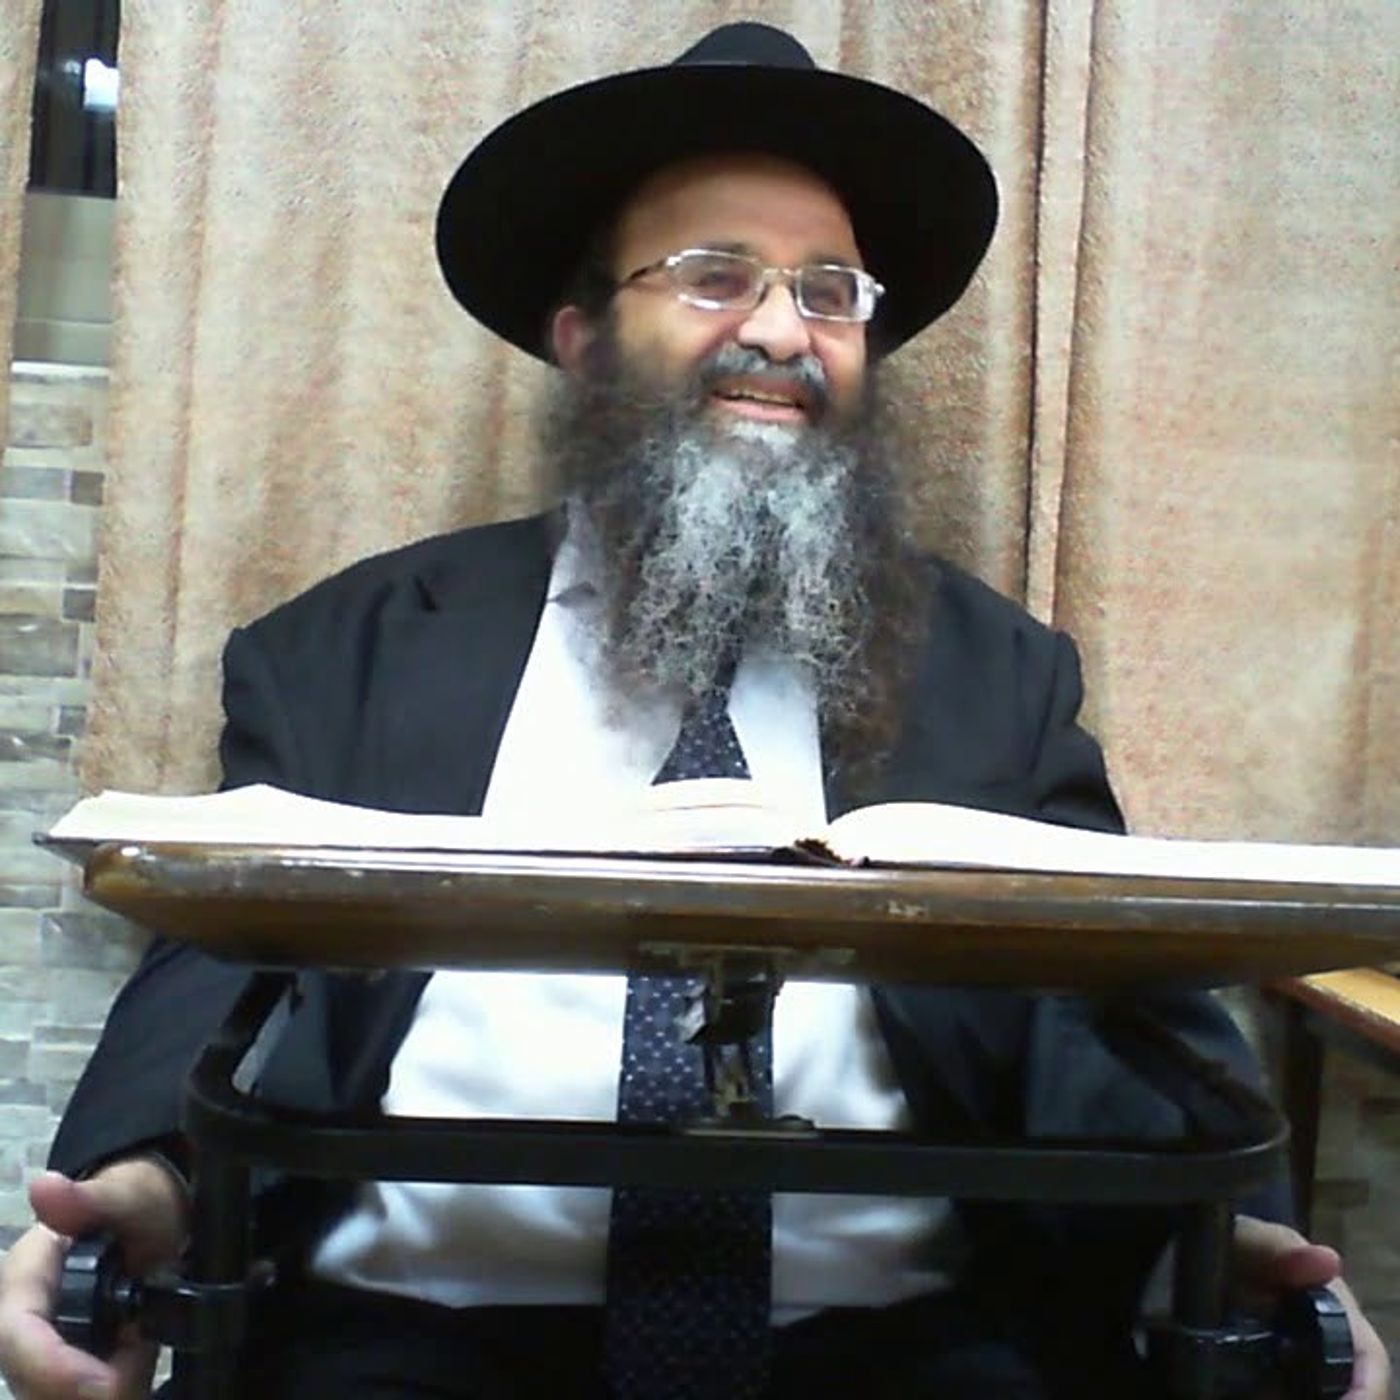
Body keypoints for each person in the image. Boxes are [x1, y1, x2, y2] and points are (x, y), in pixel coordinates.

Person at [0, 21, 1389, 1400]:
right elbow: (219, 969)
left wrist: (1236, 1242)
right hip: (406, 1339)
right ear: (584, 341)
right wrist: (142, 1183)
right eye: (716, 277)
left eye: (831, 292)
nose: (782, 331)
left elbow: (1125, 1001)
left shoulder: (997, 672)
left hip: (906, 1350)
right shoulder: (345, 651)